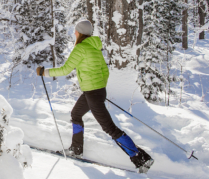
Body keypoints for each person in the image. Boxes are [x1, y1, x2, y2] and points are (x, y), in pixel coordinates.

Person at [36, 19, 154, 173]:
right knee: (76, 114)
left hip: (92, 93)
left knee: (109, 128)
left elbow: (65, 70)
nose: (74, 33)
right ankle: (76, 149)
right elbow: (105, 71)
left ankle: (141, 158)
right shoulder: (95, 48)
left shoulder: (81, 48)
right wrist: (98, 89)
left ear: (79, 33)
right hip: (94, 91)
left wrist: (44, 72)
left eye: (75, 31)